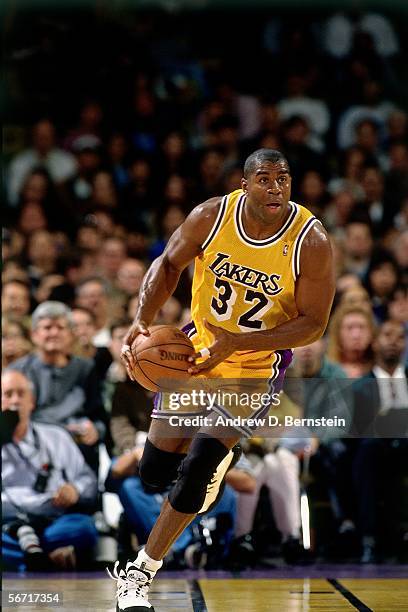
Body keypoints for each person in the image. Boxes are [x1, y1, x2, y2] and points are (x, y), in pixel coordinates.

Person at [111, 148, 335, 611]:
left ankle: (139, 574)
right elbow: (169, 264)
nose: (276, 187)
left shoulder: (309, 240)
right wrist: (142, 320)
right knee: (153, 472)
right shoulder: (212, 216)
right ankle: (220, 459)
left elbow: (314, 323)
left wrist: (239, 343)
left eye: (284, 178)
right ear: (244, 184)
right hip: (195, 353)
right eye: (266, 179)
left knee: (196, 471)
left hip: (255, 367)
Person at [1, 370, 98, 571]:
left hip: (52, 521)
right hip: (8, 524)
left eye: (21, 394)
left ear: (32, 402)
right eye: (8, 394)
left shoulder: (56, 436)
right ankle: (45, 559)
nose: (15, 401)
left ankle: (29, 557)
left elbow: (88, 480)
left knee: (84, 527)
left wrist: (75, 490)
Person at [7, 301, 107, 473]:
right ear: (34, 334)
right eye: (47, 327)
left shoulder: (86, 368)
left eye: (60, 327)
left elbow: (99, 415)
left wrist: (95, 431)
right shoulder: (17, 371)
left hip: (77, 447)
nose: (54, 333)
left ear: (71, 333)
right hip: (33, 450)